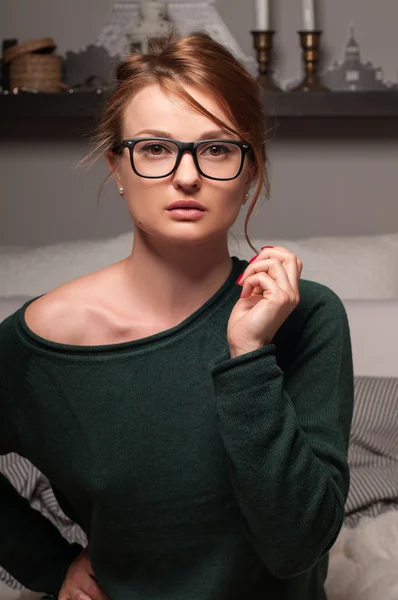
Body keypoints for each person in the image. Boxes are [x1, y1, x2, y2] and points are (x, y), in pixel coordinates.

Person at [0, 31, 354, 600]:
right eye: (156, 148)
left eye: (216, 148)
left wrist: (248, 355)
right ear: (117, 167)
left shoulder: (307, 315)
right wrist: (49, 565)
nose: (186, 176)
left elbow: (296, 547)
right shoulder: (41, 340)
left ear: (250, 172)